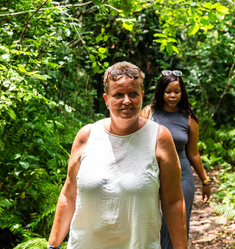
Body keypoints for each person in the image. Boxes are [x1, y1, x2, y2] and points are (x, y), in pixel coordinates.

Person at [47, 62, 187, 249]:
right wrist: (52, 245)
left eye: (133, 94)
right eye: (118, 95)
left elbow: (173, 201)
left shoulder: (158, 137)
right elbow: (69, 195)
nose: (127, 101)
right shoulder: (87, 136)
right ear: (106, 99)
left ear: (142, 96)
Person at [140, 69, 212, 249]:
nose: (173, 95)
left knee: (177, 226)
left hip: (182, 178)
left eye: (177, 92)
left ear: (182, 92)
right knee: (153, 223)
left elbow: (193, 153)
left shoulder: (189, 118)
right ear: (160, 92)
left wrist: (205, 180)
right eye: (168, 92)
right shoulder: (149, 113)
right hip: (152, 175)